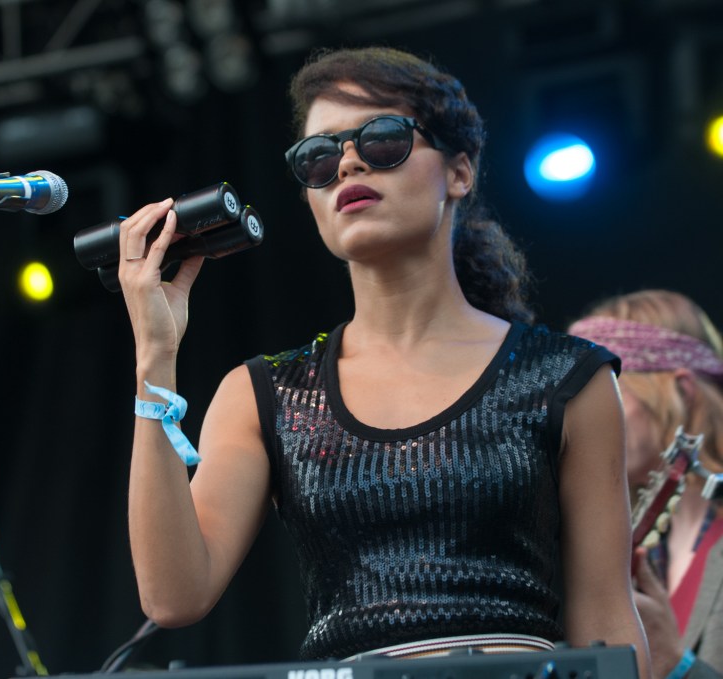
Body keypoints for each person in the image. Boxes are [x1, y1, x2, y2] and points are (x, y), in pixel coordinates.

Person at [115, 46, 650, 677]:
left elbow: (608, 620)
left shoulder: (568, 379)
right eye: (318, 157)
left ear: (459, 172)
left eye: (383, 139)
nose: (346, 162)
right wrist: (155, 356)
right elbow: (174, 596)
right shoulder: (264, 393)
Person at [569, 290, 723, 679]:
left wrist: (678, 665)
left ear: (682, 392)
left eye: (608, 393)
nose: (587, 415)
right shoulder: (631, 544)